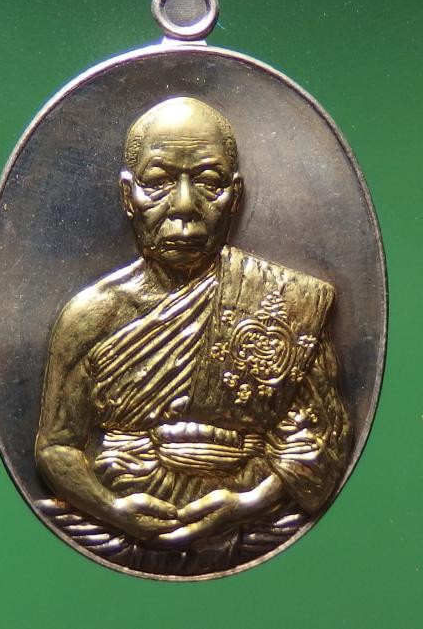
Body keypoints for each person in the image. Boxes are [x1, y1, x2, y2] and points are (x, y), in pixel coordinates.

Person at [35, 97, 352, 575]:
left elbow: (320, 439)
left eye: (208, 181)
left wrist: (250, 502)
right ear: (128, 195)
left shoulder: (282, 302)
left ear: (236, 195)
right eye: (158, 182)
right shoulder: (91, 317)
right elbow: (56, 447)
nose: (185, 206)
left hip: (258, 532)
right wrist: (112, 509)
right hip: (118, 532)